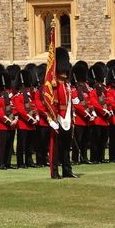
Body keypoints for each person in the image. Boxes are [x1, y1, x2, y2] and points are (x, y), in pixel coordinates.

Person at [45, 46, 76, 179]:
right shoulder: (55, 85)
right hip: (57, 118)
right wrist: (52, 120)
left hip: (67, 119)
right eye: (62, 70)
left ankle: (67, 170)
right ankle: (54, 172)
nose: (65, 72)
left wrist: (72, 117)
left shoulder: (67, 86)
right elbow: (52, 103)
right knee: (55, 148)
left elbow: (70, 104)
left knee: (66, 147)